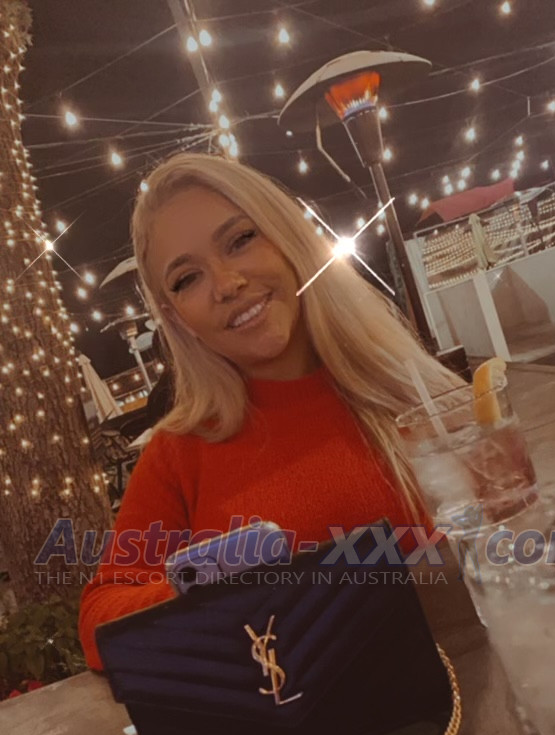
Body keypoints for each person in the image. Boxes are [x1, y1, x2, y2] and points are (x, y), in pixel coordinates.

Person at [78, 152, 461, 670]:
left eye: (240, 240)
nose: (226, 284)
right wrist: (211, 585)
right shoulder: (179, 452)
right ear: (177, 318)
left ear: (286, 238)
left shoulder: (413, 391)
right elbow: (99, 623)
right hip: (303, 715)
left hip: (470, 690)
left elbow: (504, 537)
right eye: (187, 279)